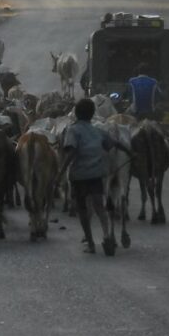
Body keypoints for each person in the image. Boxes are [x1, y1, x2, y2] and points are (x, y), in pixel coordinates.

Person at [56, 98, 131, 256]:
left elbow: (71, 153)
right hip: (97, 174)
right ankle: (106, 236)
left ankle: (90, 243)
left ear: (76, 114)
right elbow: (115, 143)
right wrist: (131, 153)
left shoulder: (72, 130)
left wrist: (60, 173)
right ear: (92, 115)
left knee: (83, 210)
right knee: (100, 207)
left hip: (79, 176)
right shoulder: (98, 131)